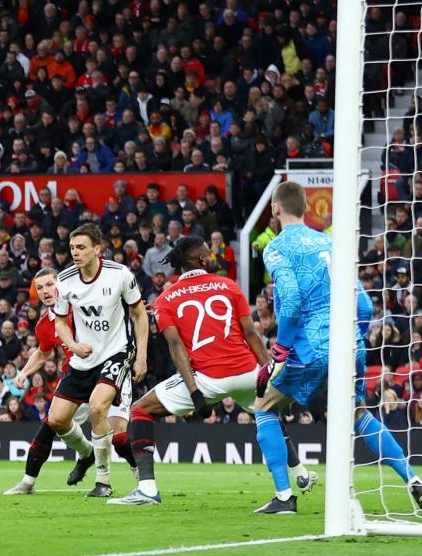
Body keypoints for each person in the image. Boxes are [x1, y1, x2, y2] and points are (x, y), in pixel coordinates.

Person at [254, 182, 422, 514]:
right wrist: (353, 339)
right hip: (349, 346)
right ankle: (413, 479)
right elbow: (362, 305)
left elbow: (289, 303)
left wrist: (280, 352)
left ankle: (285, 496)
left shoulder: (276, 248)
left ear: (275, 209)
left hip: (310, 347)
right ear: (306, 209)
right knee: (358, 415)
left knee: (264, 408)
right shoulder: (329, 242)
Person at [109, 236, 313, 506]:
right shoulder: (229, 286)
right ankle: (299, 474)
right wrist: (271, 375)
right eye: (210, 253)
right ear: (203, 260)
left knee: (140, 410)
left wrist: (194, 392)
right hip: (246, 372)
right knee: (267, 414)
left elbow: (176, 346)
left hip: (209, 379)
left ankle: (147, 489)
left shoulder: (166, 298)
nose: (213, 256)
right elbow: (251, 334)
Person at [52, 223, 149, 497]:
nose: (75, 253)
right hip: (83, 357)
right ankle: (86, 453)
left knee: (97, 409)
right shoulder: (65, 279)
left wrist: (141, 356)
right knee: (57, 420)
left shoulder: (120, 275)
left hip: (116, 352)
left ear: (98, 249)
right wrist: (72, 345)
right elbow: (60, 320)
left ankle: (103, 481)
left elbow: (139, 315)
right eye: (72, 248)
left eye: (81, 247)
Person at [3, 268, 99, 494]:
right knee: (53, 423)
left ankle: (134, 482)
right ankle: (30, 481)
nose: (46, 291)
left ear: (61, 285)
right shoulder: (44, 324)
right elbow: (44, 352)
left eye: (50, 284)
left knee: (114, 427)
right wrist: (24, 373)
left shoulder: (83, 305)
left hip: (105, 371)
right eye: (40, 287)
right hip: (75, 377)